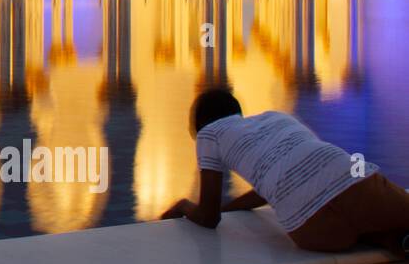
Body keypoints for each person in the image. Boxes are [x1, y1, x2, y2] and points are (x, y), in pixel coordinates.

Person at [161, 88, 409, 254]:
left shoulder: (209, 133)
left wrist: (184, 205)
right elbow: (306, 169)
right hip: (353, 183)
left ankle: (399, 242)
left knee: (377, 236)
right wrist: (232, 207)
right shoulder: (277, 118)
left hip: (311, 228)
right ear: (239, 113)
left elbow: (208, 217)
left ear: (198, 124)